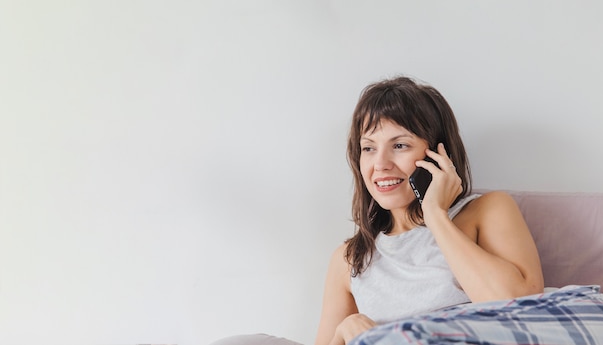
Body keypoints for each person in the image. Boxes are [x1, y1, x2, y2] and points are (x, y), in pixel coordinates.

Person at [212, 76, 544, 345]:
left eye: (399, 145)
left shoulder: (485, 212)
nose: (380, 165)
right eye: (369, 148)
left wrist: (436, 217)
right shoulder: (350, 258)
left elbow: (519, 311)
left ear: (438, 154)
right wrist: (345, 330)